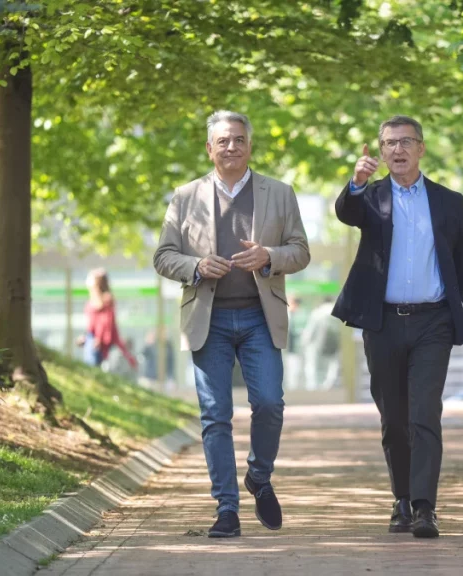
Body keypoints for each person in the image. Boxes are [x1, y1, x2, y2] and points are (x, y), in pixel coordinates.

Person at [153, 110, 310, 539]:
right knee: (215, 414)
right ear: (210, 148)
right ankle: (227, 508)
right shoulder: (185, 197)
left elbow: (301, 251)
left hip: (261, 317)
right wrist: (197, 265)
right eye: (223, 141)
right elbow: (163, 256)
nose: (231, 147)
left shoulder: (279, 193)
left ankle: (259, 476)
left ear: (249, 145)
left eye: (239, 139)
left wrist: (270, 257)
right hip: (210, 319)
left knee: (270, 404)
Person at [332, 115, 463, 538]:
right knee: (394, 419)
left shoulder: (448, 201)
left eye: (406, 142)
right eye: (389, 143)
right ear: (380, 152)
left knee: (425, 414)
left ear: (421, 148)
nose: (397, 150)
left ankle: (424, 507)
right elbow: (345, 213)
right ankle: (400, 499)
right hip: (382, 323)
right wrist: (355, 183)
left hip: (432, 322)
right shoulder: (370, 197)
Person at [79, 268, 138, 372]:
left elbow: (106, 322)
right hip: (91, 338)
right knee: (90, 368)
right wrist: (85, 336)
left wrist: (99, 338)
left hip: (99, 341)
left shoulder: (107, 300)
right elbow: (91, 324)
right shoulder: (92, 300)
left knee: (95, 368)